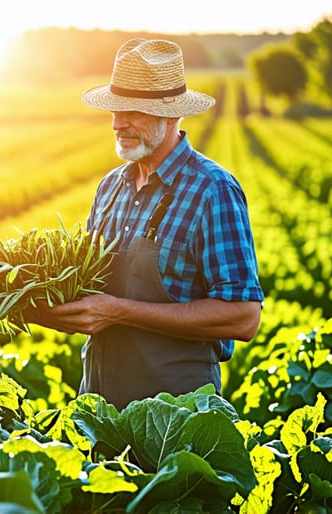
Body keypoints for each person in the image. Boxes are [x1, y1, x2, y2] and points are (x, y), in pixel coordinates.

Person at [26, 38, 264, 410]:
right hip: (99, 410)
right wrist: (34, 303)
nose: (119, 123)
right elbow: (92, 294)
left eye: (134, 110)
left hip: (177, 418)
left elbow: (244, 316)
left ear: (171, 116)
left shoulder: (211, 189)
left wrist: (121, 312)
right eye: (116, 110)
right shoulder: (110, 187)